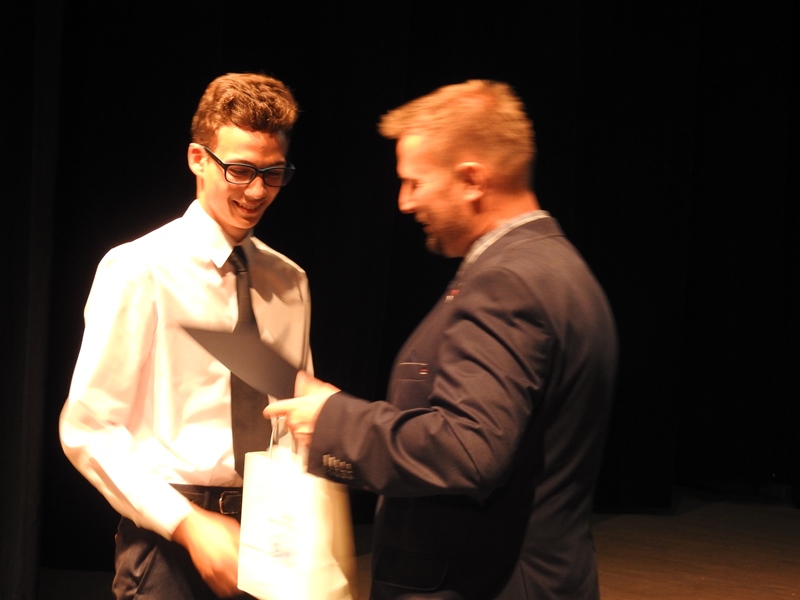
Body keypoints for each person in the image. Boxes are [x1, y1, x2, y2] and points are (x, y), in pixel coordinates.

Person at [265, 79, 618, 599]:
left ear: (472, 179)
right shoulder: (561, 266)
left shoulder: (506, 283)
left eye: (415, 182)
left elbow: (468, 449)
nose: (405, 202)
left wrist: (333, 420)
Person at [60, 72, 312, 599]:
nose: (257, 191)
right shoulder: (140, 268)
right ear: (198, 158)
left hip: (266, 534)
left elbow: (293, 416)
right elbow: (89, 428)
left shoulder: (289, 280)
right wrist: (189, 524)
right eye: (239, 170)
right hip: (169, 539)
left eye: (273, 173)